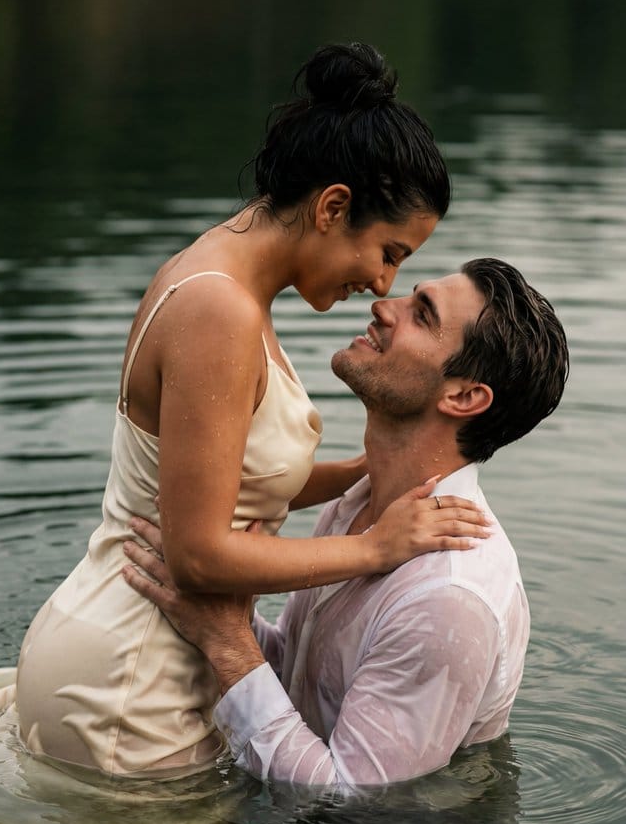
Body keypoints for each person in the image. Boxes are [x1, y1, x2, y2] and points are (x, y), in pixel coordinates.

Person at [9, 41, 488, 781]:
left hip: (133, 647)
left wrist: (372, 471)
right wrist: (377, 547)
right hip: (131, 682)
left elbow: (226, 479)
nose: (384, 282)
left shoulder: (224, 275)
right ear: (333, 207)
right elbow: (199, 556)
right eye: (388, 252)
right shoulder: (219, 311)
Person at [123, 258, 569, 793]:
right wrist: (221, 600)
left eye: (421, 315)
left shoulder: (451, 597)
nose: (383, 306)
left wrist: (226, 642)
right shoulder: (362, 504)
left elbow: (352, 798)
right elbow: (306, 675)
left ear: (463, 397)